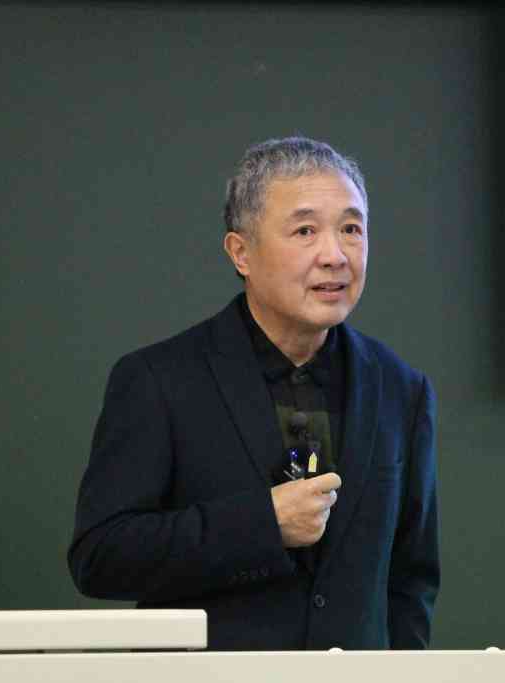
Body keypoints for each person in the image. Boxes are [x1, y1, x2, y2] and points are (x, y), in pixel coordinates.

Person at [68, 137, 439, 650]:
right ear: (241, 252)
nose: (335, 256)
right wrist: (262, 525)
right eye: (305, 231)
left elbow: (411, 579)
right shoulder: (158, 380)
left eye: (351, 229)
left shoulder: (401, 389)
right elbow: (100, 557)